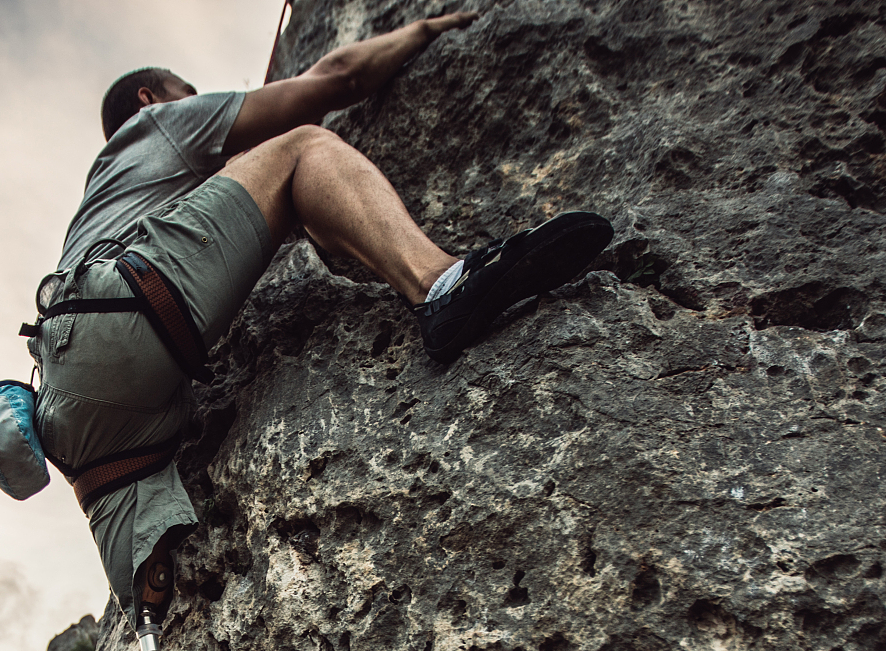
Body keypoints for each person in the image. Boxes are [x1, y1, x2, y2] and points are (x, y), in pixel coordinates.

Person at [30, 10, 612, 616]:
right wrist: (424, 30)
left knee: (150, 579)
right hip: (123, 311)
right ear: (152, 98)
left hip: (71, 413)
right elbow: (337, 78)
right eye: (189, 91)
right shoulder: (159, 122)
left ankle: (148, 599)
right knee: (304, 149)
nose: (196, 100)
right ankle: (441, 286)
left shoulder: (106, 192)